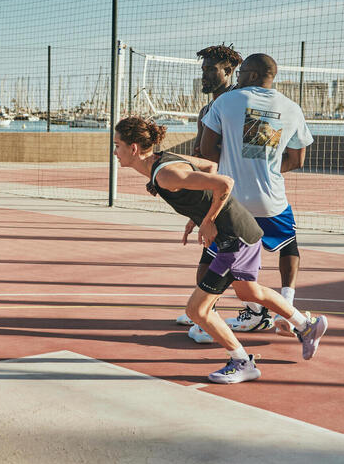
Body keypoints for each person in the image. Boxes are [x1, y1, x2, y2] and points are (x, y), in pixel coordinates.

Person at [114, 116, 327, 384]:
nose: (115, 151)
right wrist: (199, 213)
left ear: (134, 148)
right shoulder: (164, 160)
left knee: (197, 311)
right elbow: (210, 166)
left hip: (234, 239)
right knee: (248, 291)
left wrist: (208, 219)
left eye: (118, 145)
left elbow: (224, 183)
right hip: (242, 229)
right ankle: (306, 326)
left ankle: (242, 362)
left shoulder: (166, 174)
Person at [189, 52, 314, 342]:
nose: (239, 77)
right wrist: (267, 168)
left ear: (254, 75)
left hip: (234, 200)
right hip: (272, 199)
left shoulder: (225, 102)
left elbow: (206, 152)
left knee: (211, 257)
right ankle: (287, 306)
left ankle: (207, 318)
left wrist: (232, 168)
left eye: (243, 72)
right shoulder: (292, 108)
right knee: (289, 245)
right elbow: (297, 160)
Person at [173, 44, 243, 328]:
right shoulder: (207, 107)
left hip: (235, 193)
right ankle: (207, 313)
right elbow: (199, 155)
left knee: (218, 263)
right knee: (216, 262)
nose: (204, 75)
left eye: (210, 69)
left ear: (229, 71)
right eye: (202, 69)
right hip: (216, 192)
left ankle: (209, 315)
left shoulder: (238, 103)